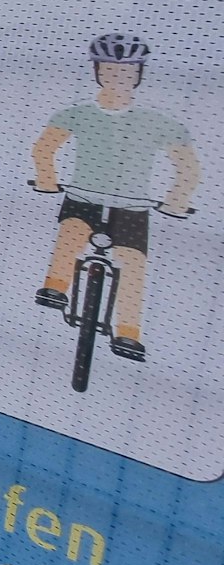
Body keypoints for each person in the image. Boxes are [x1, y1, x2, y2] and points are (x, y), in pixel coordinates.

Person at [31, 34, 199, 362]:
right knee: (70, 235)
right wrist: (47, 180)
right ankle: (56, 286)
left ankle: (128, 332)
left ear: (138, 75)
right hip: (84, 196)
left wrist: (177, 198)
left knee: (133, 264)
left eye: (125, 73)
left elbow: (187, 167)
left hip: (133, 206)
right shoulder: (76, 114)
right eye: (109, 72)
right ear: (97, 72)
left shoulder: (157, 122)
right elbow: (44, 150)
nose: (117, 79)